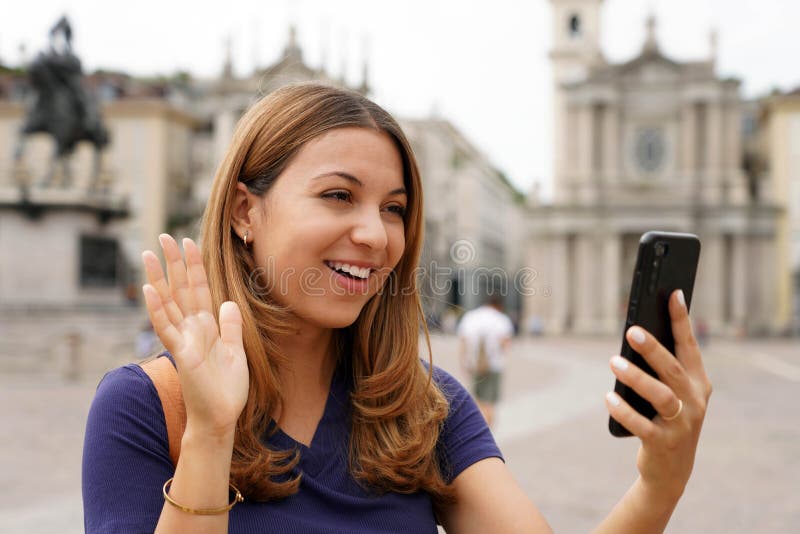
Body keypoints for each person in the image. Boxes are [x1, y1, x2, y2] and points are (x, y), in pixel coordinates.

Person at [82, 83, 712, 533]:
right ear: (246, 212)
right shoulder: (144, 409)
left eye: (394, 208)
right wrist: (211, 435)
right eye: (338, 195)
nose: (376, 235)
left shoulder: (422, 408)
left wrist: (661, 483)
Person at [457, 295, 514, 427]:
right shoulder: (501, 319)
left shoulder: (470, 317)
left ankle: (477, 428)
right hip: (495, 366)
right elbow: (505, 344)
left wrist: (463, 364)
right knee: (490, 404)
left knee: (477, 401)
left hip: (474, 365)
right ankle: (487, 432)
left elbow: (463, 343)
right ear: (499, 306)